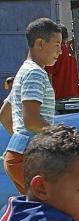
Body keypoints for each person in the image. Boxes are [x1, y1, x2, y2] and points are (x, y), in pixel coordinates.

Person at [0, 18, 62, 194]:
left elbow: (4, 116)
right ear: (40, 43)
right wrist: (61, 133)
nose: (60, 51)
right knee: (56, 206)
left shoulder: (23, 71)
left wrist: (21, 140)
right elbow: (32, 121)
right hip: (29, 158)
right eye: (57, 45)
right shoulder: (35, 73)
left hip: (16, 156)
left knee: (37, 212)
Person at [45, 24, 79, 100]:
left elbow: (48, 76)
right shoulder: (70, 49)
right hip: (75, 94)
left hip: (61, 96)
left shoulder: (54, 52)